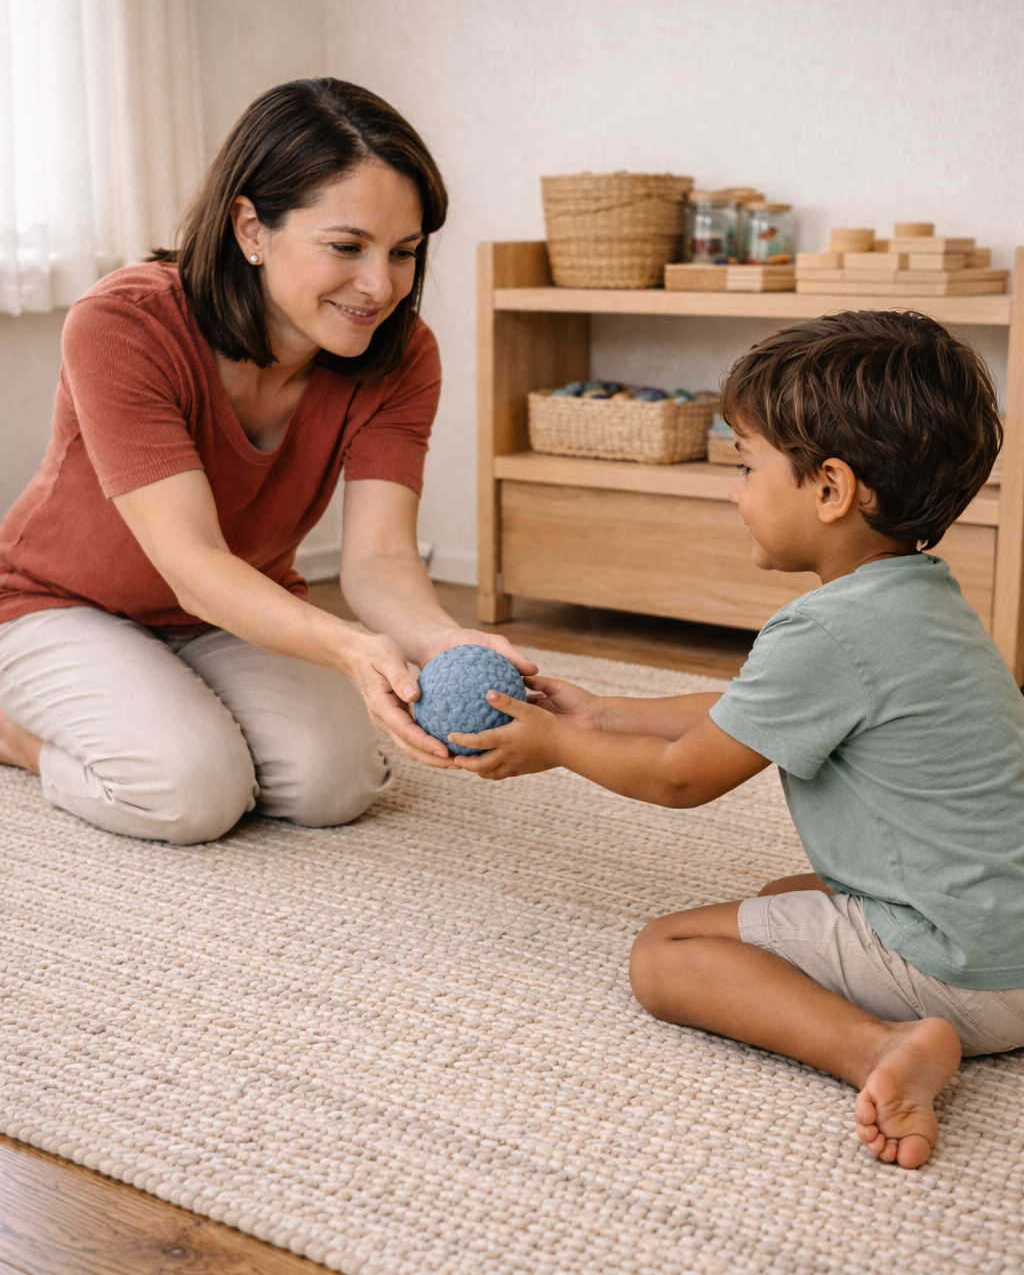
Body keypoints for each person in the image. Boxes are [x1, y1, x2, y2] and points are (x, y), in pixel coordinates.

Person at [446, 311, 1024, 1169]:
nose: (734, 492)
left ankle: (879, 1046)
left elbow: (685, 778)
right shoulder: (923, 597)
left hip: (962, 970)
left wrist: (559, 748)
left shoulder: (823, 635)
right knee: (787, 888)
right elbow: (742, 709)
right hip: (1008, 933)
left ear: (830, 488)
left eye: (747, 467)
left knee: (668, 953)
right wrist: (600, 714)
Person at [0, 78, 534, 843]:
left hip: (231, 610)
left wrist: (439, 639)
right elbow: (189, 562)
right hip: (58, 602)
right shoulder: (123, 325)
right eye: (346, 247)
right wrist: (350, 648)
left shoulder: (404, 356)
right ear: (251, 227)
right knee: (193, 793)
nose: (380, 286)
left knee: (336, 782)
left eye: (404, 252)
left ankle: (168, 701)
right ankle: (14, 733)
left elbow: (380, 556)